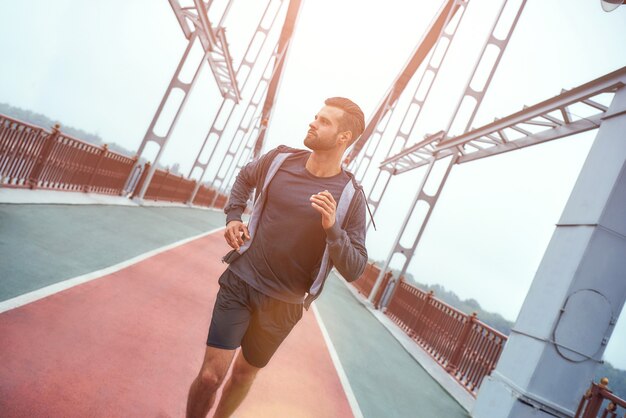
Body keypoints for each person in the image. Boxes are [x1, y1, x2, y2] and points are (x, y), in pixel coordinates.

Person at [186, 97, 369, 418]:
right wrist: (233, 216)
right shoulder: (280, 160)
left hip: (284, 304)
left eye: (324, 121)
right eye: (316, 116)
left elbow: (354, 267)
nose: (313, 122)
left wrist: (333, 229)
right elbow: (245, 177)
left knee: (244, 375)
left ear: (344, 138)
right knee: (211, 376)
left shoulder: (351, 197)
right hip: (241, 281)